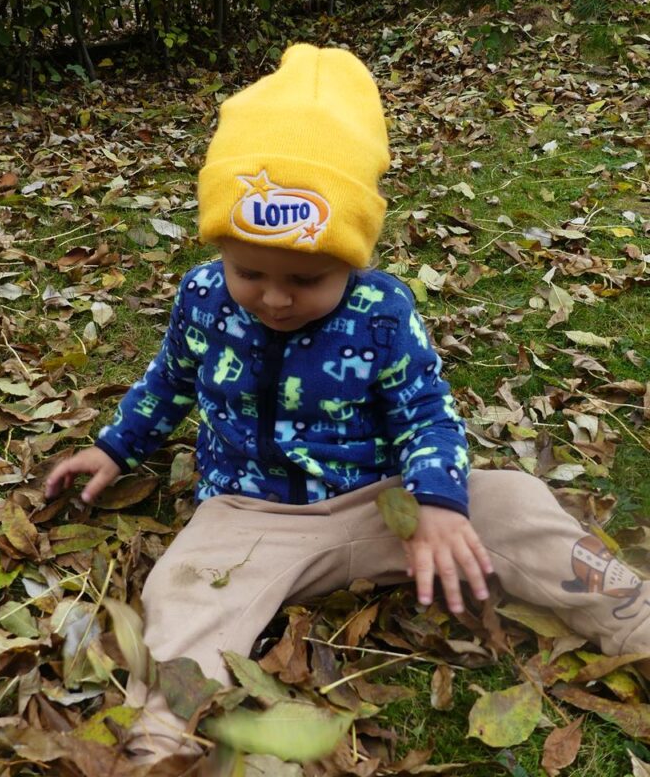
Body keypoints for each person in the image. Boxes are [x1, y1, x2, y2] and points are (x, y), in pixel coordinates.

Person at [46, 44, 650, 766]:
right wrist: (114, 448)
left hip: (389, 505)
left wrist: (439, 502)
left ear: (353, 257)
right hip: (249, 515)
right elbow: (169, 381)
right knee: (183, 587)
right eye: (249, 271)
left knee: (518, 504)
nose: (274, 298)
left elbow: (427, 413)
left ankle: (635, 618)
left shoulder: (381, 311)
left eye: (307, 279)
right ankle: (163, 735)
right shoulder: (203, 297)